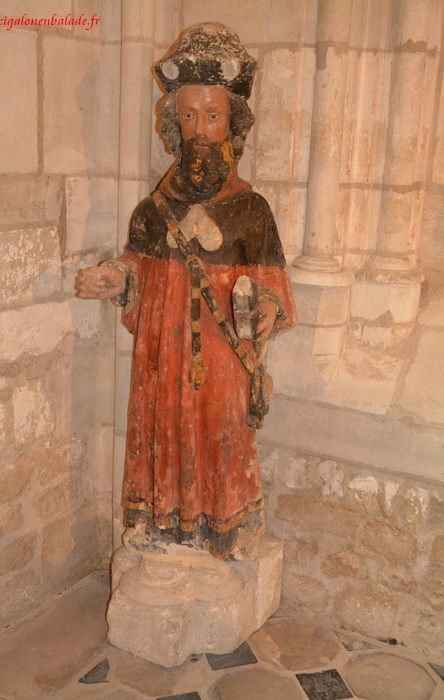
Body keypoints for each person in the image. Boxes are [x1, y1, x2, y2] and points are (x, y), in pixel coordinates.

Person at [75, 23, 297, 560]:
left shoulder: (252, 210)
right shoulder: (151, 212)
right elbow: (137, 268)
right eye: (189, 115)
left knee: (222, 435)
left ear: (232, 123)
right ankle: (163, 527)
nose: (201, 129)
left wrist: (268, 306)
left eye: (213, 116)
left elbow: (274, 284)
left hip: (222, 363)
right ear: (175, 121)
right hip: (162, 359)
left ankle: (225, 532)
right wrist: (118, 277)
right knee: (163, 433)